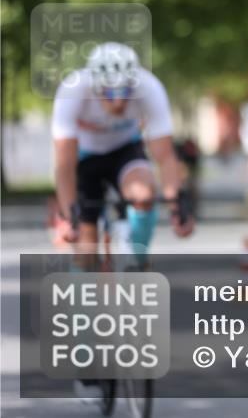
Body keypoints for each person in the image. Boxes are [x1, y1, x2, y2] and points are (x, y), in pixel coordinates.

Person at [51, 42, 195, 401]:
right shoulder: (72, 92)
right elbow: (64, 166)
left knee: (144, 196)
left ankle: (135, 261)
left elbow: (164, 156)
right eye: (108, 94)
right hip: (83, 160)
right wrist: (69, 216)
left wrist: (177, 205)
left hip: (124, 153)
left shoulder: (148, 88)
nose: (117, 103)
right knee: (84, 246)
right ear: (95, 85)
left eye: (123, 92)